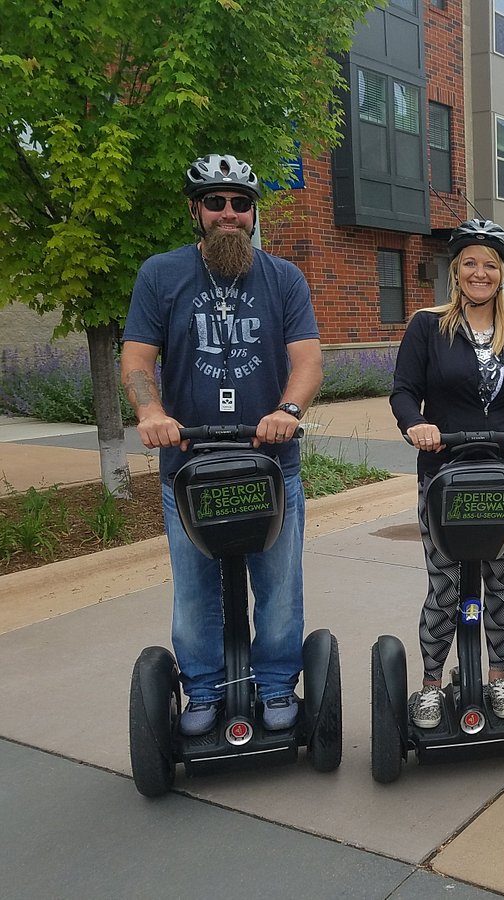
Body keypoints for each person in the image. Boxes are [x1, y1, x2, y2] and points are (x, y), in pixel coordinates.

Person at [122, 153, 323, 736]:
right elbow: (137, 357)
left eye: (241, 203)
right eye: (216, 202)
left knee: (280, 586)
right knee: (192, 591)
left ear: (253, 212)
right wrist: (152, 410)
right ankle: (204, 690)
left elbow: (308, 359)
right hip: (188, 467)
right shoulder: (161, 275)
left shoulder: (283, 278)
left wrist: (287, 410)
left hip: (270, 464)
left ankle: (279, 682)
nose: (229, 214)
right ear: (196, 211)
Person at [390, 219, 504, 729]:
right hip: (444, 474)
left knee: (501, 578)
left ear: (502, 274)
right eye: (470, 263)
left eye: (490, 265)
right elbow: (402, 391)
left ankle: (498, 675)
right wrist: (416, 425)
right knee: (446, 582)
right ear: (455, 271)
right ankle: (432, 683)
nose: (479, 273)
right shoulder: (427, 327)